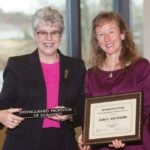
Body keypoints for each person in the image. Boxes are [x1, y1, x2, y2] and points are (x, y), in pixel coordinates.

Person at [0, 6, 86, 150]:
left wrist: (69, 115)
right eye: (42, 32)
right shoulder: (17, 65)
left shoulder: (76, 67)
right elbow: (2, 105)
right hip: (22, 144)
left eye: (54, 32)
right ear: (35, 34)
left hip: (64, 143)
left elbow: (83, 109)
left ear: (61, 35)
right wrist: (1, 115)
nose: (49, 38)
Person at [78, 11, 150, 150]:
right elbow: (88, 113)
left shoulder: (141, 67)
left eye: (111, 32)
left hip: (135, 145)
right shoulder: (91, 74)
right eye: (101, 34)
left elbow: (146, 108)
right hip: (102, 146)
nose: (107, 39)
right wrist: (86, 137)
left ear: (122, 34)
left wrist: (125, 134)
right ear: (97, 41)